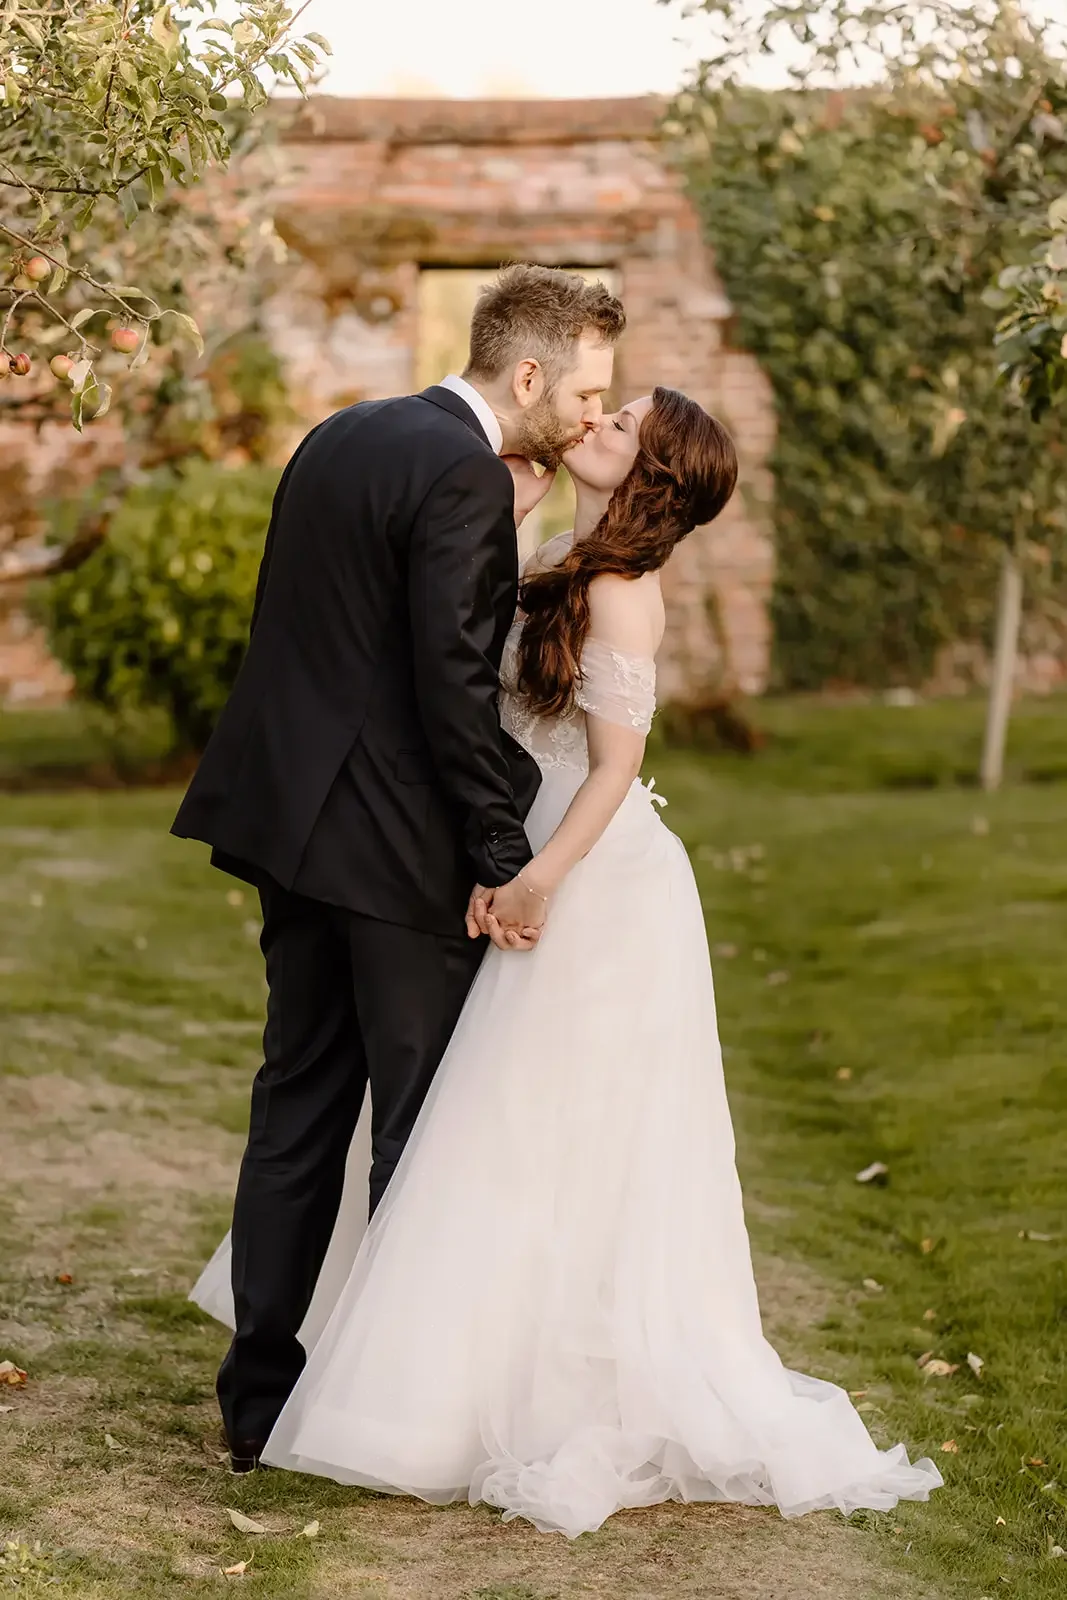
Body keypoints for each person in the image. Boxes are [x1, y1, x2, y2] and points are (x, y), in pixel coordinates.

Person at [192, 387, 943, 1536]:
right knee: (479, 1120)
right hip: (499, 848)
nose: (595, 417)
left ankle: (460, 1383)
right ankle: (407, 1370)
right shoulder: (556, 546)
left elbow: (610, 767)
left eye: (621, 419)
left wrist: (537, 874)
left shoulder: (620, 594)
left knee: (532, 1129)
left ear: (647, 470)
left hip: (583, 875)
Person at [172, 263, 627, 1473]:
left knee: (295, 1108)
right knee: (423, 1133)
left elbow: (320, 635)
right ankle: (396, 1413)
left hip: (291, 834)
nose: (591, 418)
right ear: (525, 374)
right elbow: (444, 684)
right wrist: (500, 847)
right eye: (585, 393)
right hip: (396, 851)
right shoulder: (466, 477)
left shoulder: (343, 434)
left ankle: (257, 1403)